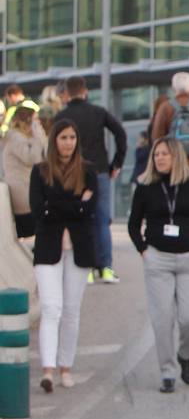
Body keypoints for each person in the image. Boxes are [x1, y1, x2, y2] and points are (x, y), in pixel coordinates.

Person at [128, 137, 189, 394]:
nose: (159, 158)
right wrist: (144, 251)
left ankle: (185, 355)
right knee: (162, 318)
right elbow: (133, 224)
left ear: (176, 156)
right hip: (158, 259)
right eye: (156, 155)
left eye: (164, 154)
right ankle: (167, 371)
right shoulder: (146, 187)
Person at [30, 119, 98, 393]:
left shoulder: (88, 171)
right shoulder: (41, 171)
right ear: (54, 140)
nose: (68, 142)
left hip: (79, 249)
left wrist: (56, 205)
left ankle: (65, 367)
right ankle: (47, 369)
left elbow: (90, 209)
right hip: (48, 248)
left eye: (72, 137)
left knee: (71, 311)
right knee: (51, 308)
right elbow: (39, 210)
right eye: (63, 137)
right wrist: (75, 204)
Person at [55, 76, 127, 284]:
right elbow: (120, 134)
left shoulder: (62, 116)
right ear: (85, 91)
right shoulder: (98, 112)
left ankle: (85, 267)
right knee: (102, 219)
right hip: (99, 170)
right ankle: (105, 268)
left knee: (79, 219)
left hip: (72, 173)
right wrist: (116, 163)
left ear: (67, 93)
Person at [4, 101, 46, 238]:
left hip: (26, 191)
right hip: (22, 195)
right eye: (35, 122)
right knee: (30, 234)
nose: (38, 125)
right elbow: (32, 158)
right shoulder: (15, 137)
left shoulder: (18, 137)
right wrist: (38, 136)